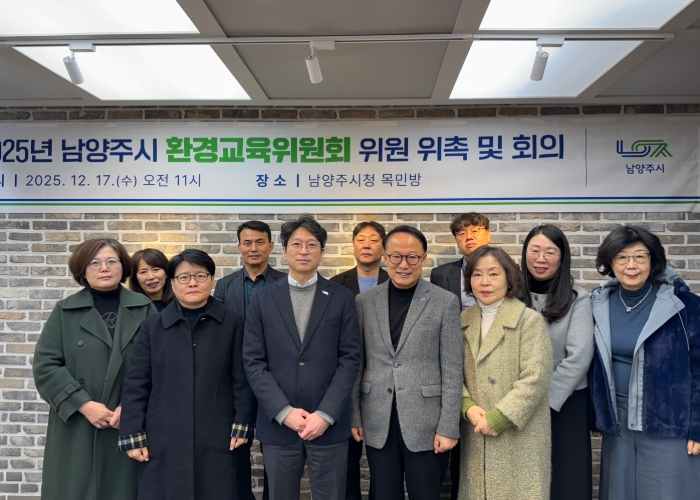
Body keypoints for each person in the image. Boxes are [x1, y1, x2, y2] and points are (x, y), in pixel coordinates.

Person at [118, 249, 256, 500]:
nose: (192, 283)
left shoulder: (233, 323)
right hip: (163, 433)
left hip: (218, 431)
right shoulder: (152, 327)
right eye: (184, 277)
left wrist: (243, 422)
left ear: (211, 279)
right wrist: (132, 431)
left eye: (200, 276)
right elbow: (137, 382)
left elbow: (242, 379)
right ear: (172, 283)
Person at [243, 215, 362, 500]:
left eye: (311, 245)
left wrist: (326, 414)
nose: (304, 251)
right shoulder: (262, 299)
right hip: (279, 426)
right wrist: (284, 412)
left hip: (329, 426)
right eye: (296, 244)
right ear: (284, 251)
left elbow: (350, 359)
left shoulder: (342, 297)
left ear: (322, 252)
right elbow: (253, 361)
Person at [33, 238, 157, 500]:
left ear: (123, 267)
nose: (104, 268)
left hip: (129, 424)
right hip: (77, 425)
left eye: (112, 261)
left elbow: (160, 365)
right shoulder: (65, 311)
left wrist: (131, 407)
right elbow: (46, 365)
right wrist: (83, 404)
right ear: (82, 269)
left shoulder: (145, 308)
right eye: (95, 263)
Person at [352, 225, 463, 500]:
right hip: (378, 418)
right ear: (385, 257)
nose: (404, 264)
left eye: (412, 257)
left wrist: (448, 427)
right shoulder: (364, 302)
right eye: (396, 256)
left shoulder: (444, 302)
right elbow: (357, 363)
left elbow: (452, 369)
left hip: (427, 422)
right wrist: (355, 415)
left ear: (423, 258)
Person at [590, 225, 700, 500]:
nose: (631, 265)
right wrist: (598, 413)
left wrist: (698, 427)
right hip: (618, 425)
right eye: (622, 257)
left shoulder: (684, 305)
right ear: (610, 262)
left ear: (653, 261)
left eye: (640, 256)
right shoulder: (597, 303)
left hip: (669, 423)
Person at [459, 246, 552, 500]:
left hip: (519, 437)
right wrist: (466, 405)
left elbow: (535, 378)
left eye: (493, 274)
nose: (484, 282)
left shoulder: (528, 321)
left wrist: (501, 417)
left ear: (509, 278)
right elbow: (452, 374)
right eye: (477, 274)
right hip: (476, 432)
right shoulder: (462, 321)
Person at [214, 220, 286, 500]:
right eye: (247, 242)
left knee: (276, 452)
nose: (253, 248)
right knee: (236, 450)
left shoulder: (284, 283)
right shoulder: (224, 286)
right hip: (236, 381)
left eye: (260, 242)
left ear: (271, 246)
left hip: (275, 379)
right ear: (239, 247)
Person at [522, 225, 594, 500]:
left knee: (567, 479)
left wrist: (545, 400)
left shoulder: (578, 298)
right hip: (520, 401)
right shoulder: (511, 295)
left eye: (550, 252)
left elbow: (579, 356)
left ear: (562, 258)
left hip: (565, 402)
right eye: (535, 250)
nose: (541, 259)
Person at [429, 212, 491, 498]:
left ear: (488, 235)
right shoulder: (441, 274)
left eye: (475, 231)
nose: (469, 237)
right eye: (462, 233)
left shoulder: (506, 269)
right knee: (456, 439)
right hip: (452, 362)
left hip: (490, 363)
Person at [330, 220, 388, 500]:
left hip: (383, 380)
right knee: (346, 459)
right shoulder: (335, 285)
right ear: (353, 245)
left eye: (374, 240)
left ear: (384, 247)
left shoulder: (396, 281)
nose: (367, 245)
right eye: (361, 240)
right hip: (345, 379)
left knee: (384, 462)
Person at [129, 248, 174, 312]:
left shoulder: (180, 304)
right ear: (136, 278)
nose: (151, 277)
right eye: (143, 272)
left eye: (155, 270)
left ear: (166, 273)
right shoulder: (131, 308)